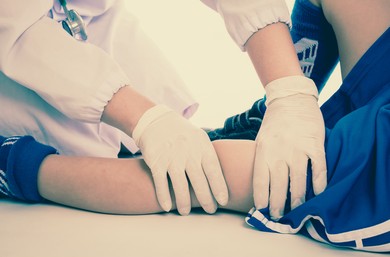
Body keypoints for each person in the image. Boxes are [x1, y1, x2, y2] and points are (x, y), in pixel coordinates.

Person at [0, 0, 331, 219]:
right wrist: (144, 118)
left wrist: (289, 91)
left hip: (80, 20)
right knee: (176, 168)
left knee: (178, 165)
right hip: (21, 43)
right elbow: (15, 26)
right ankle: (12, 164)